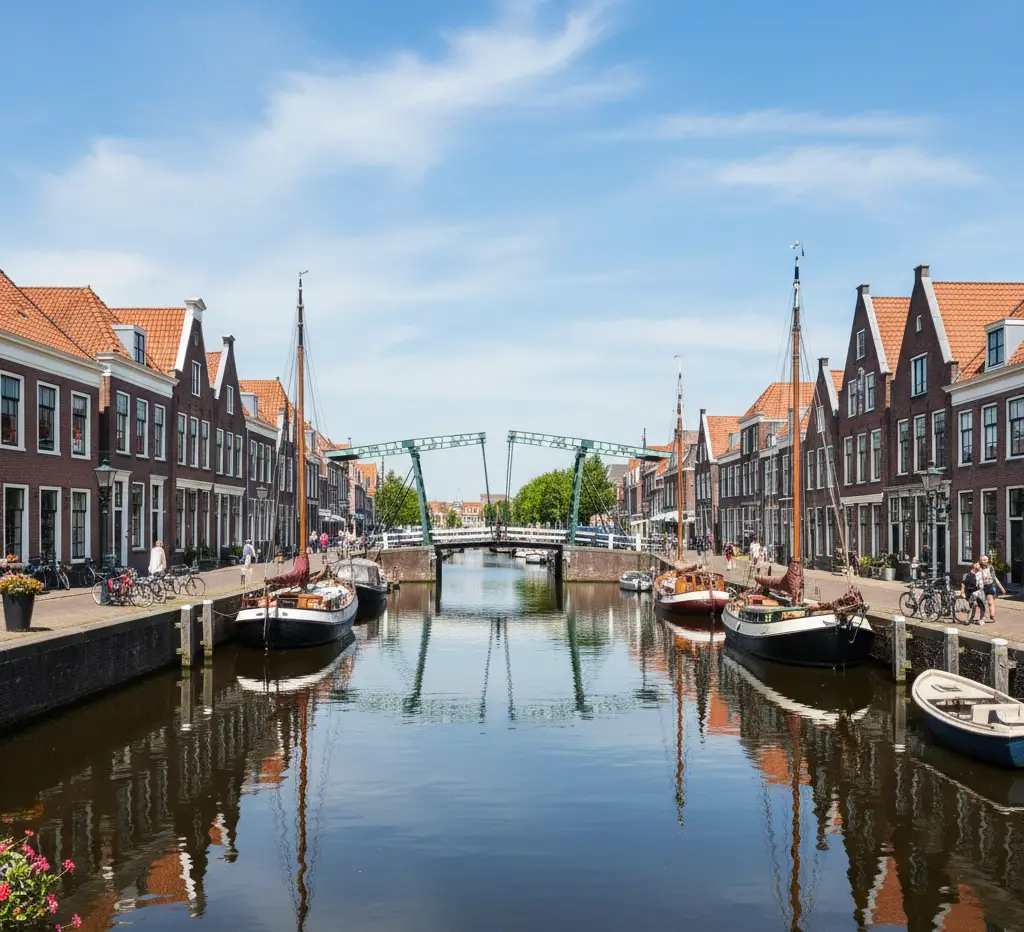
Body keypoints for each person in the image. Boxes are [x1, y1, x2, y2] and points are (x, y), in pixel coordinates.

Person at [977, 555, 1007, 622]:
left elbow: (994, 578)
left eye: (984, 560)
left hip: (989, 586)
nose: (983, 561)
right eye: (981, 560)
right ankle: (981, 618)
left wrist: (1001, 587)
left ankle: (991, 617)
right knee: (982, 603)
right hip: (980, 587)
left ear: (987, 560)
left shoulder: (990, 567)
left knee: (990, 602)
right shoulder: (977, 567)